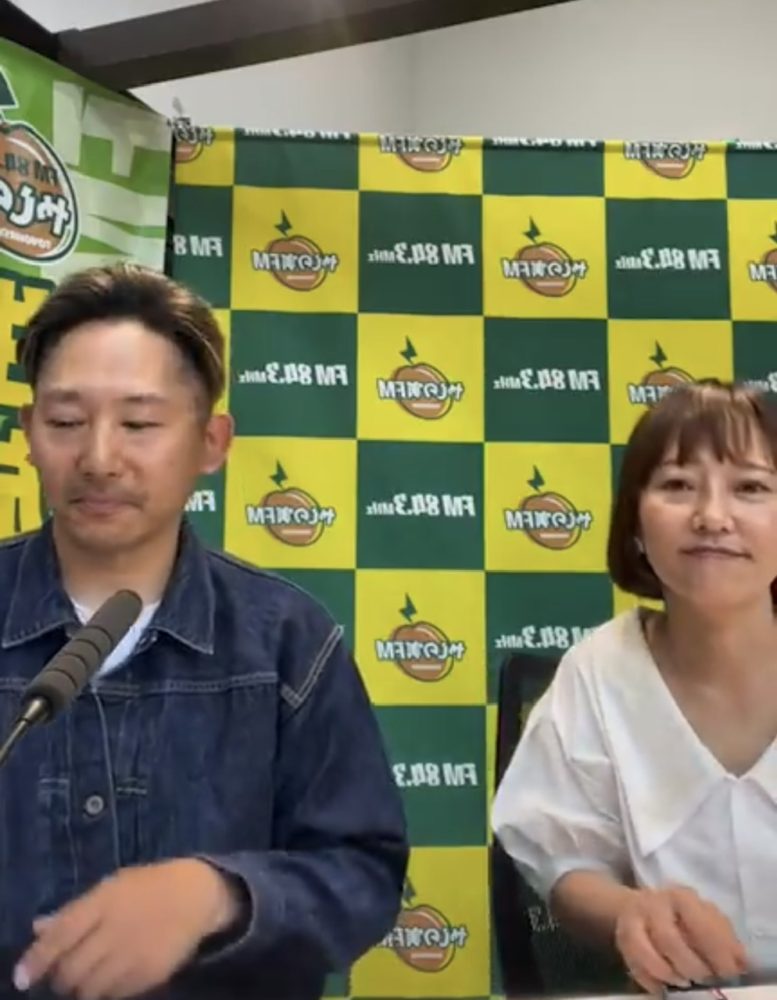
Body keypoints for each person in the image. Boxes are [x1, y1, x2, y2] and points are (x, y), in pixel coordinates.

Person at [0, 264, 408, 1000]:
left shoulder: (287, 641)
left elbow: (364, 873)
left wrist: (220, 894)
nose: (98, 458)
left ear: (211, 443)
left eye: (138, 425)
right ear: (27, 433)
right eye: (65, 422)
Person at [492, 379, 777, 995]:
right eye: (677, 485)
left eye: (751, 488)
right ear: (636, 525)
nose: (713, 517)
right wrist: (628, 912)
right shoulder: (599, 671)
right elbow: (565, 860)